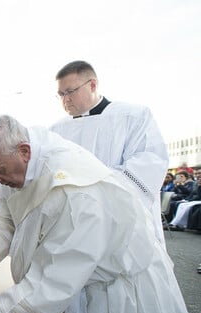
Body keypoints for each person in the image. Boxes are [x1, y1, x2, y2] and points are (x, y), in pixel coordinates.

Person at [0, 115, 194, 313]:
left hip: (103, 301)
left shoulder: (76, 193)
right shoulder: (15, 161)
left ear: (25, 151)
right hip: (62, 289)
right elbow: (6, 218)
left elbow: (53, 280)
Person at [49, 60, 168, 249]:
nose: (66, 99)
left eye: (70, 91)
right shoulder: (56, 130)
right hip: (73, 224)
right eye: (60, 94)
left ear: (93, 85)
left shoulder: (133, 116)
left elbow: (147, 164)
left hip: (121, 223)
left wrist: (88, 190)